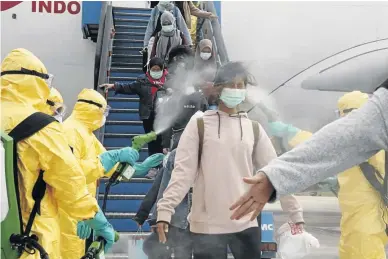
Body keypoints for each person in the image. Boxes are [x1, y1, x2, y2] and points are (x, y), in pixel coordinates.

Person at [156, 61, 304, 259]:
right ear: (218, 88)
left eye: (240, 85)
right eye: (231, 85)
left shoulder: (254, 129)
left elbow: (276, 172)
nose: (236, 90)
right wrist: (165, 210)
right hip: (206, 226)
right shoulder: (199, 126)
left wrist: (295, 213)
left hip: (246, 223)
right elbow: (183, 173)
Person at [0, 48, 116, 258]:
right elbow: (70, 183)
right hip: (29, 241)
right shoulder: (41, 127)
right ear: (35, 82)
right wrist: (98, 221)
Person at [229, 81, 388, 220]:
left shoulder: (368, 136)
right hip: (359, 211)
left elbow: (338, 143)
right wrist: (274, 178)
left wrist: (288, 133)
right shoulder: (377, 119)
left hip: (366, 214)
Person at [58, 88, 139, 258]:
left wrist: (137, 168)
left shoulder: (86, 133)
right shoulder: (70, 132)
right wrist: (81, 215)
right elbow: (70, 174)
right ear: (94, 110)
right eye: (104, 111)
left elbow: (109, 165)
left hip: (83, 208)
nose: (104, 117)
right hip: (69, 213)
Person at [100, 57, 168, 156]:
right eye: (154, 69)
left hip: (164, 117)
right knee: (152, 141)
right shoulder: (142, 81)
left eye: (158, 70)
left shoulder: (169, 81)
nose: (156, 72)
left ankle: (164, 165)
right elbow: (128, 87)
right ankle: (154, 166)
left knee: (164, 142)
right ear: (149, 69)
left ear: (163, 69)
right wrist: (113, 86)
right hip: (148, 117)